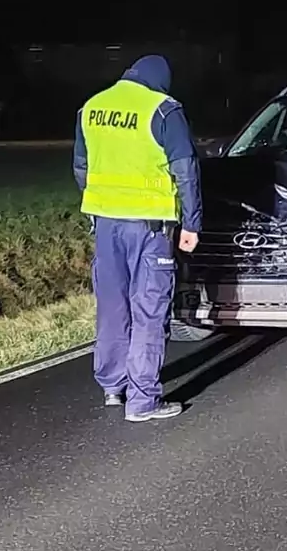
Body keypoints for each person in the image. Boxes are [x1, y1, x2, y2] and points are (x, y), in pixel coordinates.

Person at [73, 54, 203, 423]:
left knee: (112, 306)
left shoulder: (92, 107)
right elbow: (186, 170)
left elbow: (81, 168)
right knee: (149, 311)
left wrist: (105, 203)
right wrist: (191, 224)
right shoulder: (163, 110)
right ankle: (143, 400)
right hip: (150, 228)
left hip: (106, 223)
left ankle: (112, 386)